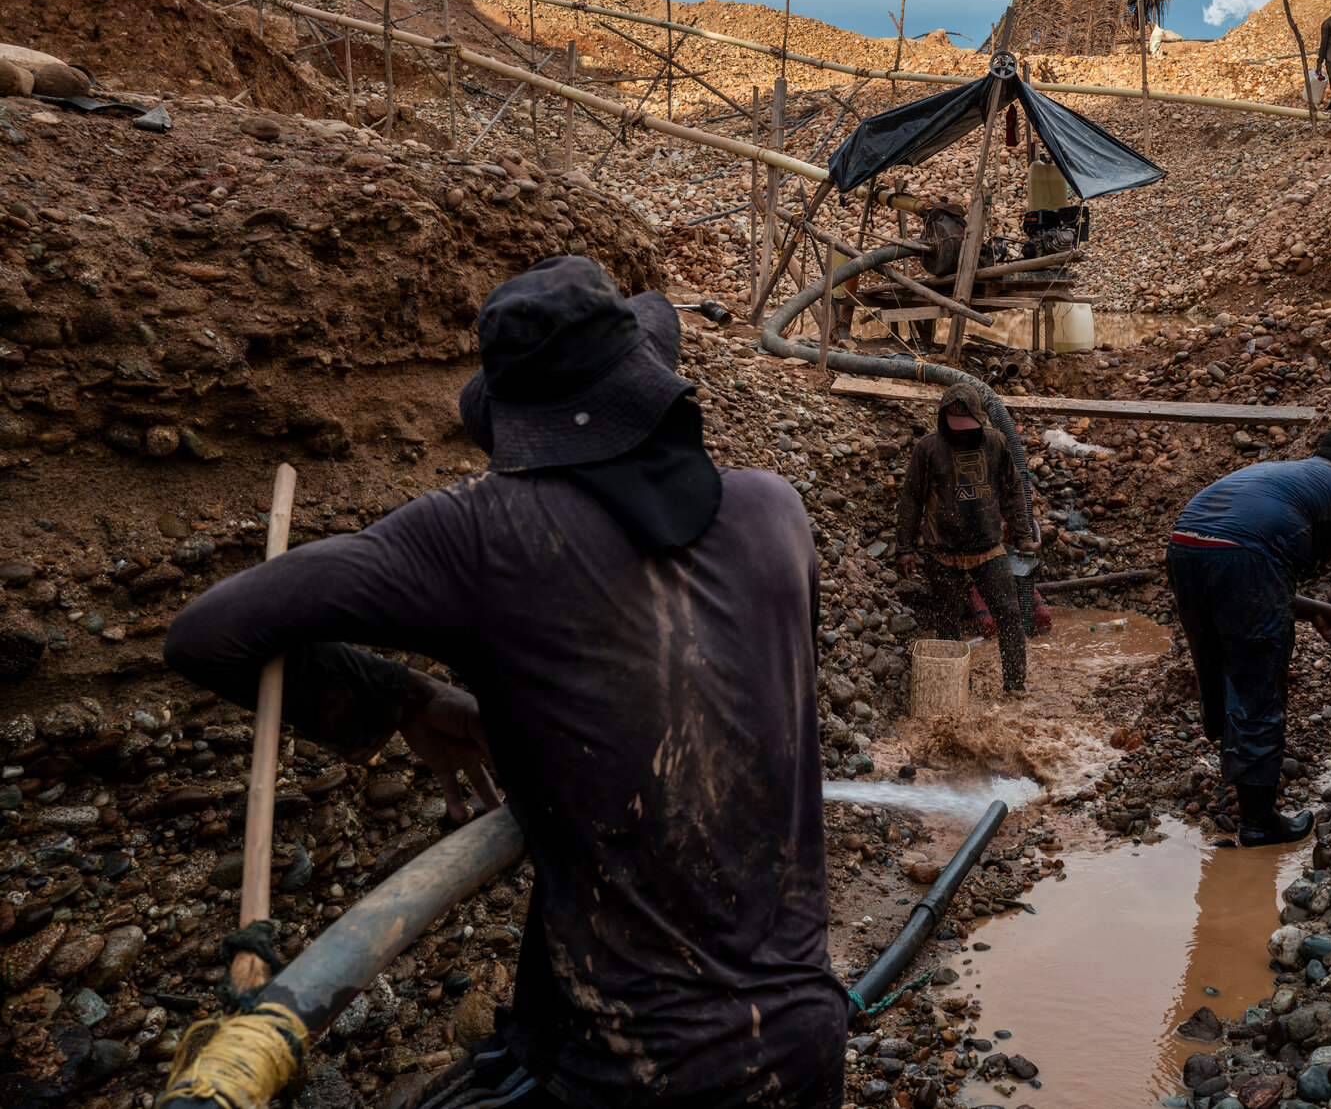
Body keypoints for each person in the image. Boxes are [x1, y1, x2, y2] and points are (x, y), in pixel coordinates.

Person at [164, 256, 845, 1109]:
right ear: (647, 385)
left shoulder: (481, 535)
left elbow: (207, 634)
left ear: (519, 425)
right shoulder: (778, 510)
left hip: (628, 1074)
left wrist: (404, 698)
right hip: (806, 1039)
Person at [1166, 430, 1331, 846]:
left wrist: (1310, 608)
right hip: (1243, 554)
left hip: (1184, 544)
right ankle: (1259, 823)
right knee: (1259, 682)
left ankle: (1233, 772)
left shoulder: (1287, 474)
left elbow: (1245, 559)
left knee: (1214, 661)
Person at [897, 384, 1038, 690]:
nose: (961, 432)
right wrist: (905, 547)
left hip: (989, 548)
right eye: (954, 426)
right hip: (942, 553)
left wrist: (1024, 535)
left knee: (1010, 616)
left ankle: (1015, 686)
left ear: (979, 418)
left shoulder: (996, 443)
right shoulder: (929, 448)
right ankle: (956, 689)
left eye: (967, 427)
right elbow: (911, 499)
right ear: (942, 419)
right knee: (947, 626)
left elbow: (1014, 491)